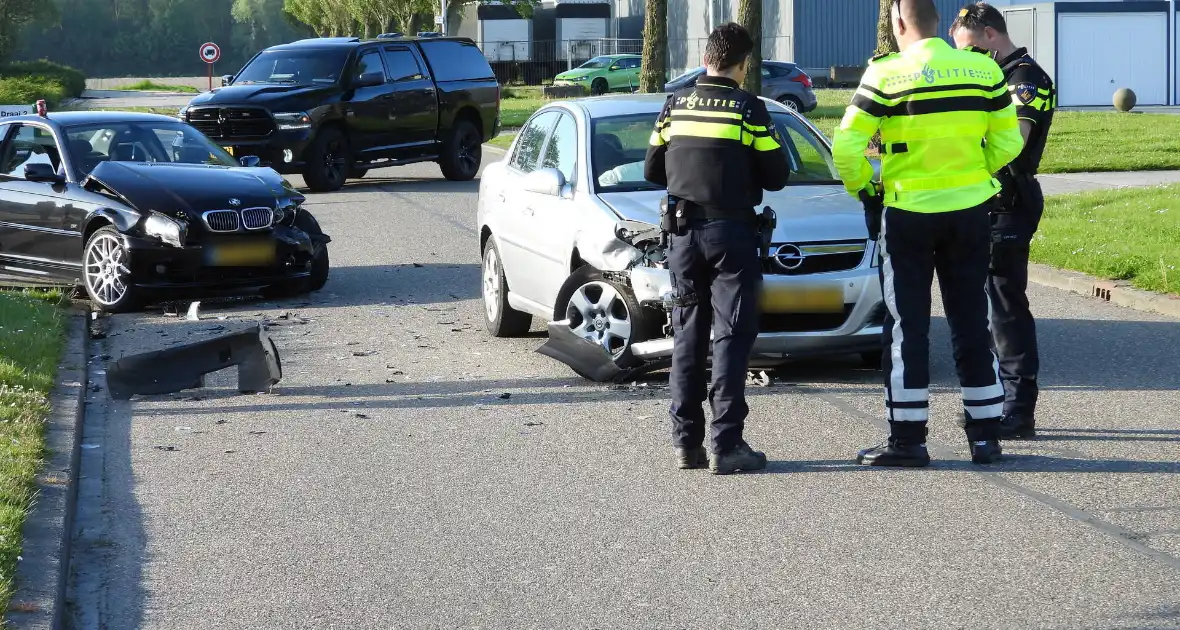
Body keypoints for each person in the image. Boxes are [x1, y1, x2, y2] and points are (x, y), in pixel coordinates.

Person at [831, 0, 1024, 467]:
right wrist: (976, 176)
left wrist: (869, 190)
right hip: (970, 212)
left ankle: (908, 440)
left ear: (898, 22)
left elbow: (846, 147)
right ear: (939, 24)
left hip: (907, 214)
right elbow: (1009, 141)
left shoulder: (886, 75)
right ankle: (985, 438)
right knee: (972, 322)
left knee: (907, 328)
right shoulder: (982, 70)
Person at [643, 22, 791, 475]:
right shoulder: (747, 108)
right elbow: (777, 174)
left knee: (688, 333)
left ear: (707, 56)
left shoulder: (675, 104)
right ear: (743, 65)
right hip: (731, 235)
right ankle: (727, 445)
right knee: (731, 335)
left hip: (683, 238)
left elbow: (653, 170)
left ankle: (686, 443)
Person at [950, 3, 1056, 440]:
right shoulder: (993, 77)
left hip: (1009, 200)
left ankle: (1018, 407)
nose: (968, 61)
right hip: (984, 199)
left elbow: (1014, 141)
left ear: (991, 35)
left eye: (972, 50)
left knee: (1006, 305)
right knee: (984, 305)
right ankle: (992, 401)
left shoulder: (1023, 79)